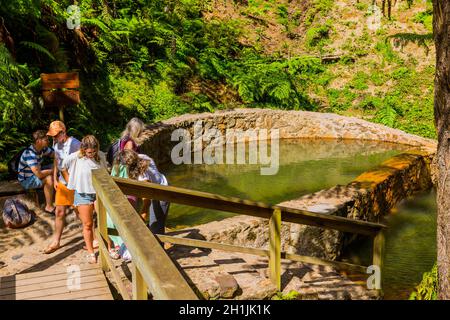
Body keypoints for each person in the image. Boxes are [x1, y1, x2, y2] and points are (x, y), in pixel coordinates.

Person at [62, 135, 116, 264]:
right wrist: (71, 182)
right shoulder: (75, 157)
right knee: (88, 224)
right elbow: (63, 167)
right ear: (83, 149)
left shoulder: (101, 156)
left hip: (98, 193)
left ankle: (110, 248)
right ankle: (91, 253)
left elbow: (106, 172)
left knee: (105, 221)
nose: (91, 154)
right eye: (89, 152)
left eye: (94, 151)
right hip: (82, 194)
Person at [44, 121, 81, 254]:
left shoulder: (75, 143)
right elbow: (56, 160)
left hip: (74, 183)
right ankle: (56, 241)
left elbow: (83, 160)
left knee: (79, 212)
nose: (53, 138)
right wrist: (54, 177)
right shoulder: (56, 144)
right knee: (59, 212)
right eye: (52, 136)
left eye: (55, 135)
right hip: (61, 182)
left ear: (63, 132)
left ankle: (92, 237)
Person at [17, 130, 55, 213]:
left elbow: (55, 155)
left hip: (35, 173)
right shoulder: (30, 154)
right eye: (46, 140)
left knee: (57, 166)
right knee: (49, 178)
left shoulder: (42, 149)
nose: (48, 141)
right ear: (38, 141)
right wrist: (53, 171)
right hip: (27, 180)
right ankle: (49, 207)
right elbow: (39, 175)